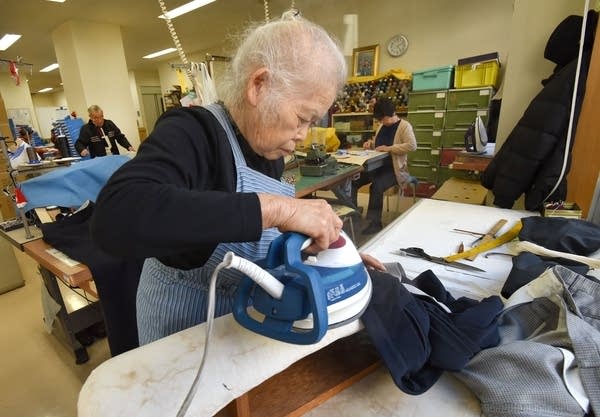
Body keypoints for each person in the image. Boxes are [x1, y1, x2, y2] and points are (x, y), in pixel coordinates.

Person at [90, 11, 385, 345]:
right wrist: (280, 209)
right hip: (183, 337)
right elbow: (115, 217)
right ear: (258, 86)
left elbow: (256, 241)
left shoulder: (268, 151)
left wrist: (324, 262)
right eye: (303, 118)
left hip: (244, 324)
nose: (304, 134)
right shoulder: (191, 132)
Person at [351, 97, 417, 235]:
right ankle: (353, 216)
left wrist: (389, 148)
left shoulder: (404, 126)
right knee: (353, 181)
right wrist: (370, 143)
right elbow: (378, 144)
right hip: (377, 166)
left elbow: (412, 146)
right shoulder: (382, 126)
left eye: (382, 119)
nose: (381, 122)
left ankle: (374, 223)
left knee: (376, 187)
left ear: (391, 114)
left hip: (395, 170)